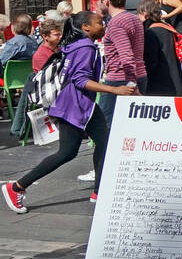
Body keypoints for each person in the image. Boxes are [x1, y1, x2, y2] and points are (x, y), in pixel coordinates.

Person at [3, 11, 140, 214]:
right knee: (67, 152)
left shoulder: (79, 45)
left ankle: (99, 191)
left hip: (81, 105)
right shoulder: (85, 47)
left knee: (104, 142)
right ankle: (16, 187)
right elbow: (80, 80)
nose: (103, 25)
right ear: (86, 28)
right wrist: (114, 90)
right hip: (73, 106)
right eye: (99, 23)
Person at [96, 0, 147, 128]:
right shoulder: (134, 18)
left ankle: (106, 152)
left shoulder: (116, 23)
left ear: (106, 1)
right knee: (131, 126)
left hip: (121, 79)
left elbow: (126, 56)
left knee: (105, 126)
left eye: (99, 1)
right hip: (139, 74)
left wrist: (132, 84)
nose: (98, 4)